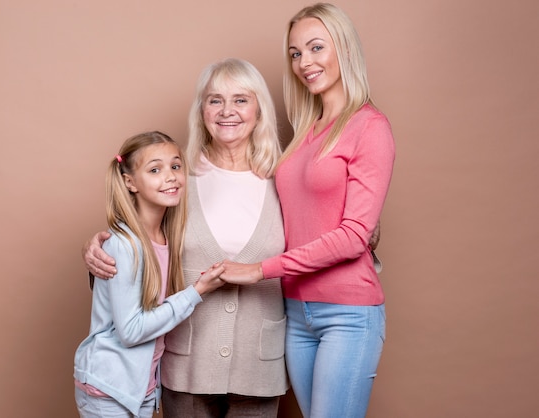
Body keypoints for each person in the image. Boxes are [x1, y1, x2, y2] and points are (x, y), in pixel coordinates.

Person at [82, 59, 289, 417]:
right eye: (215, 100)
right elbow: (140, 240)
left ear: (259, 110)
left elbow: (322, 240)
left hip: (260, 363)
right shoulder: (179, 179)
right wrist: (97, 249)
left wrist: (365, 229)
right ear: (201, 111)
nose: (227, 111)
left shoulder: (285, 179)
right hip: (186, 363)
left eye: (241, 99)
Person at [220, 3, 396, 418]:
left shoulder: (370, 127)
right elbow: (279, 212)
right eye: (296, 53)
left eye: (316, 48)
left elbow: (353, 237)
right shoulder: (305, 132)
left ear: (345, 50)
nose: (304, 63)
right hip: (295, 312)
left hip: (348, 315)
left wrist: (259, 269)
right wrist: (122, 235)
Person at [73, 131, 225, 418]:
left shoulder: (168, 235)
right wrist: (196, 292)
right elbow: (131, 332)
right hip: (110, 389)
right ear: (130, 182)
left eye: (175, 166)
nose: (169, 176)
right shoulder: (124, 244)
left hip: (141, 387)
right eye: (155, 169)